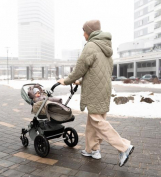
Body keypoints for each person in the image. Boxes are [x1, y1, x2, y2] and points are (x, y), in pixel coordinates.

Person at [57, 20, 134, 167]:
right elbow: (97, 72)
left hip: (94, 92)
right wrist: (81, 82)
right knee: (93, 123)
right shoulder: (106, 48)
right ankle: (92, 150)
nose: (83, 34)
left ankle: (124, 147)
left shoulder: (91, 46)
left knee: (98, 122)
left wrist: (66, 80)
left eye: (84, 31)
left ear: (91, 32)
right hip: (104, 90)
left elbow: (80, 68)